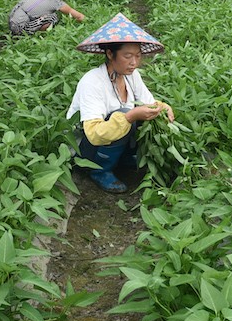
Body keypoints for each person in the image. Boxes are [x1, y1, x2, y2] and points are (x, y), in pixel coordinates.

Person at [67, 13, 175, 193]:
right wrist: (130, 116)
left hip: (107, 139)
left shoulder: (132, 76)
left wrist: (163, 107)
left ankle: (123, 158)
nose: (134, 63)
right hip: (84, 147)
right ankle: (99, 170)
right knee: (125, 113)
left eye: (138, 56)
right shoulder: (92, 81)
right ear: (110, 53)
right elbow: (94, 133)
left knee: (138, 114)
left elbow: (147, 102)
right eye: (127, 56)